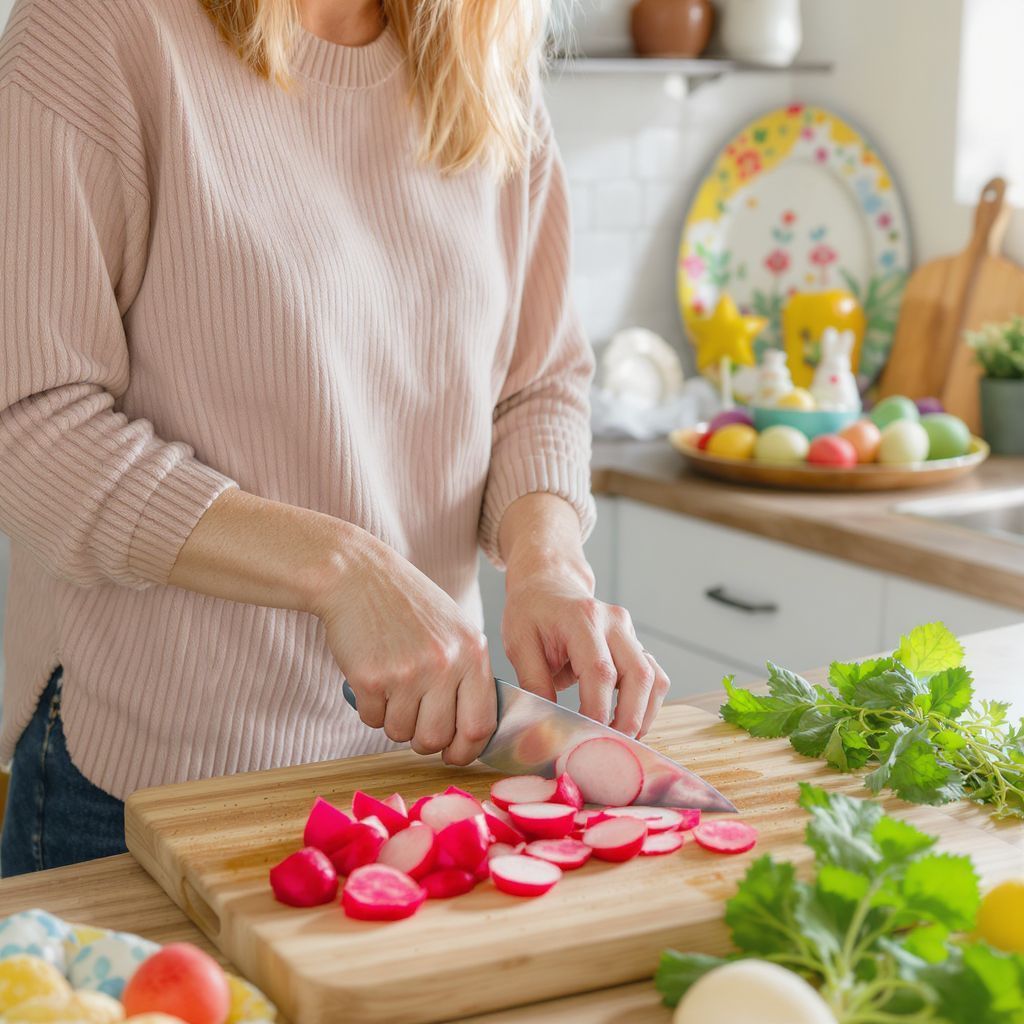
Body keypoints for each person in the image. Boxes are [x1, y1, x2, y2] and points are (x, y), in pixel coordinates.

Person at [0, 0, 669, 876]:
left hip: (420, 783)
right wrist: (341, 570)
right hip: (158, 786)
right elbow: (31, 426)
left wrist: (547, 560)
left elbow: (535, 382)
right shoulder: (95, 32)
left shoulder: (481, 58)